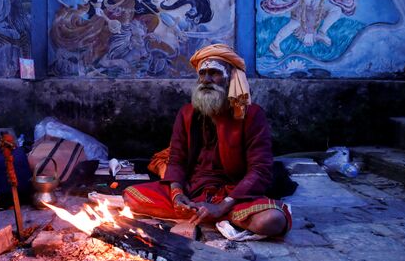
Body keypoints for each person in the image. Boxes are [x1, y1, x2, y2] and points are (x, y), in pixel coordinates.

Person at [124, 44, 291, 238]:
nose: (206, 80)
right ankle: (205, 213)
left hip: (233, 193)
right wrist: (178, 194)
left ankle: (215, 214)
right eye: (202, 74)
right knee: (131, 196)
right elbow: (176, 159)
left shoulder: (252, 115)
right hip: (193, 190)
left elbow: (260, 170)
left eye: (214, 73)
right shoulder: (187, 113)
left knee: (271, 221)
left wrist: (221, 206)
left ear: (231, 78)